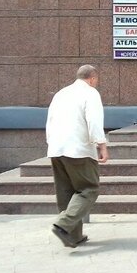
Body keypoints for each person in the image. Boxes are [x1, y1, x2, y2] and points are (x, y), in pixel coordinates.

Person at [46, 65, 109, 247]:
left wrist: (51, 144)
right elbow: (94, 121)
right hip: (78, 149)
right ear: (92, 78)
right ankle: (63, 224)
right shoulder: (90, 93)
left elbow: (50, 121)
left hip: (56, 148)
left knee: (65, 193)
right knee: (89, 189)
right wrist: (102, 145)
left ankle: (72, 236)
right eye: (96, 80)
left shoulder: (61, 94)